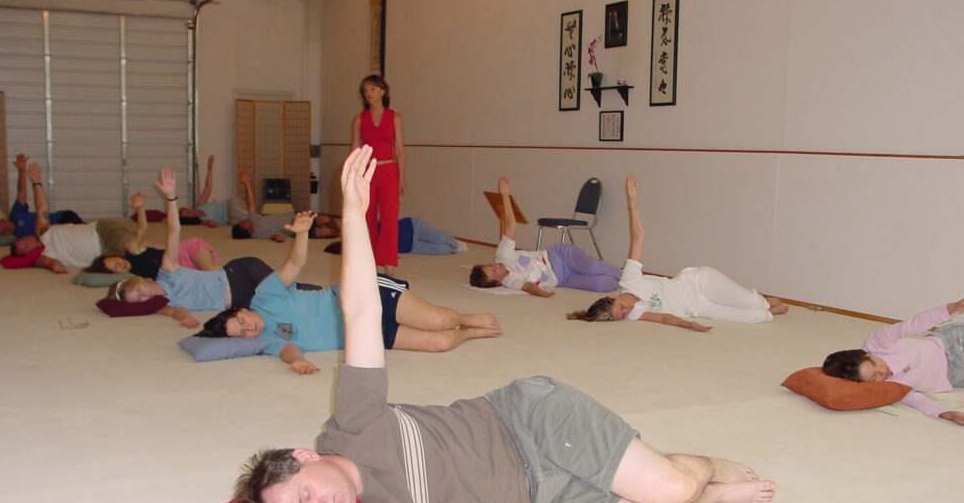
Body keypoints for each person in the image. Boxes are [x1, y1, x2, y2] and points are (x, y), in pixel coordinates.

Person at [230, 146, 777, 503]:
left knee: (671, 488)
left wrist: (352, 212)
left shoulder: (351, 425)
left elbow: (361, 311)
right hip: (539, 501)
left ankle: (693, 468)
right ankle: (704, 491)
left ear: (305, 458)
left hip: (528, 423)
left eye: (305, 496)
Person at [196, 225, 501, 374]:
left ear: (240, 309)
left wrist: (302, 234)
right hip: (366, 333)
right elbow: (288, 349)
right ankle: (471, 333)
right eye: (244, 334)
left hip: (360, 295)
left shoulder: (265, 295)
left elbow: (295, 265)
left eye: (242, 322)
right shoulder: (267, 340)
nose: (250, 329)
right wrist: (299, 361)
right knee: (441, 343)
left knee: (440, 321)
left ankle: (464, 318)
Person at [568, 175, 788, 329]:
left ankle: (762, 300)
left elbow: (639, 238)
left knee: (755, 305)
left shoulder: (629, 279)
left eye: (622, 308)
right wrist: (688, 324)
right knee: (759, 318)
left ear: (613, 296)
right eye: (622, 316)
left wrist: (633, 203)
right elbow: (664, 319)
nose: (627, 311)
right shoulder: (635, 314)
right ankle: (765, 306)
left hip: (698, 282)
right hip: (698, 307)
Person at [108, 168, 306, 328]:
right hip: (239, 299)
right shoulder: (162, 305)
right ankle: (327, 296)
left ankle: (329, 295)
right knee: (282, 305)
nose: (145, 296)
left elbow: (174, 231)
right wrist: (184, 319)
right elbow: (177, 312)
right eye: (139, 299)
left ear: (144, 280)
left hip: (239, 274)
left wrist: (170, 198)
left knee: (284, 290)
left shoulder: (168, 271)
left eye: (140, 290)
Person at [470, 176, 621, 296]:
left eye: (491, 265)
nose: (496, 266)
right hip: (563, 279)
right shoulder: (510, 281)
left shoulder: (503, 255)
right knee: (602, 285)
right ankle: (619, 281)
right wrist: (541, 293)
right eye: (495, 271)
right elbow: (528, 287)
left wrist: (505, 195)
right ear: (497, 282)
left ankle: (625, 275)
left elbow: (510, 225)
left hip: (560, 255)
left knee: (592, 267)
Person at [822, 299, 964, 425]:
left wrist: (952, 308)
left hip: (952, 344)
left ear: (868, 354)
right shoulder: (887, 388)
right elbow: (916, 400)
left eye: (875, 363)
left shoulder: (878, 343)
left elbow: (912, 324)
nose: (883, 371)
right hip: (957, 376)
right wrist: (947, 414)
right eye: (874, 377)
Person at [9, 162, 137, 274]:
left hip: (100, 231)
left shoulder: (42, 230)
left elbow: (41, 207)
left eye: (24, 240)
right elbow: (55, 266)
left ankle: (135, 238)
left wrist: (36, 182)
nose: (27, 240)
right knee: (138, 255)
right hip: (104, 254)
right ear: (29, 253)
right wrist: (50, 265)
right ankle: (137, 239)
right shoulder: (43, 256)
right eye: (25, 246)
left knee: (132, 246)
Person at [86, 190, 221, 278]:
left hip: (185, 251)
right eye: (116, 268)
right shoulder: (134, 277)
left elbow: (142, 228)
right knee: (208, 277)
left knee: (209, 271)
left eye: (117, 261)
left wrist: (140, 208)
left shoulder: (133, 250)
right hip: (181, 269)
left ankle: (239, 271)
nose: (121, 265)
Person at [350, 74, 404, 274]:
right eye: (365, 90)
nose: (368, 94)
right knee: (368, 217)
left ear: (383, 91)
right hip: (366, 173)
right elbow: (355, 150)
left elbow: (399, 150)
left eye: (372, 89)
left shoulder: (394, 117)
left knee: (390, 218)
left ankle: (389, 263)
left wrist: (402, 177)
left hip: (389, 170)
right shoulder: (359, 120)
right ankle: (369, 260)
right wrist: (352, 177)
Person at [0, 154, 84, 237]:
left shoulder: (15, 215)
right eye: (3, 233)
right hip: (55, 234)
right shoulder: (18, 238)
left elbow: (21, 192)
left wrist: (21, 170)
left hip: (62, 218)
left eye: (4, 228)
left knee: (86, 232)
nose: (6, 231)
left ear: (3, 221)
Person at [323, 216, 465, 256]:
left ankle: (458, 244)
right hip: (410, 247)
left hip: (412, 227)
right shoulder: (367, 251)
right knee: (443, 251)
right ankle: (454, 248)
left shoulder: (366, 230)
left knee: (440, 238)